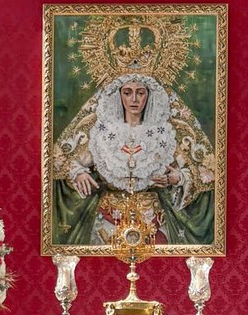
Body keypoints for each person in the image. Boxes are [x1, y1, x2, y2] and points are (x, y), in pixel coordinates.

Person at [52, 72, 215, 248]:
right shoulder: (104, 134)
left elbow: (203, 171)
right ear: (119, 95)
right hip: (108, 221)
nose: (134, 99)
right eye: (127, 92)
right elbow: (62, 161)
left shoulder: (163, 134)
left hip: (153, 220)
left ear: (149, 95)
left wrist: (178, 177)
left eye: (141, 92)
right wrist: (78, 172)